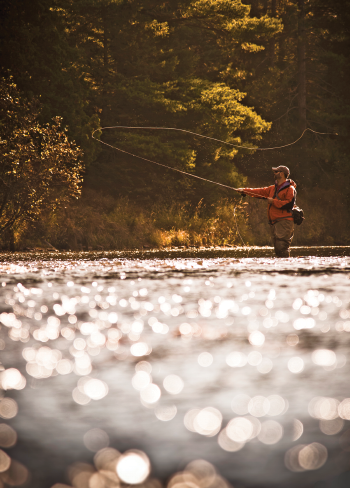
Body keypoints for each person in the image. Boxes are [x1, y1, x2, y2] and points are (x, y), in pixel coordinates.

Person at [238, 165, 296, 258]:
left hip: (284, 221)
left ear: (281, 174)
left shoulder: (290, 189)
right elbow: (259, 192)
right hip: (274, 222)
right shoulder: (272, 188)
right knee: (278, 249)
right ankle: (281, 268)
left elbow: (289, 204)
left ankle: (286, 269)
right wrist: (244, 191)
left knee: (281, 247)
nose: (274, 173)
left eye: (276, 171)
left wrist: (273, 201)